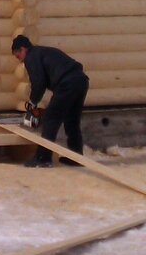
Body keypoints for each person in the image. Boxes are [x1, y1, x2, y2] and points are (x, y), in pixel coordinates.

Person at [12, 34, 89, 168]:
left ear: (23, 49)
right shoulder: (43, 52)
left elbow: (39, 82)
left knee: (50, 118)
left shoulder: (31, 57)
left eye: (18, 56)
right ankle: (76, 156)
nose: (20, 60)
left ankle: (43, 158)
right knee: (72, 120)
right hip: (81, 80)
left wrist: (33, 102)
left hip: (67, 83)